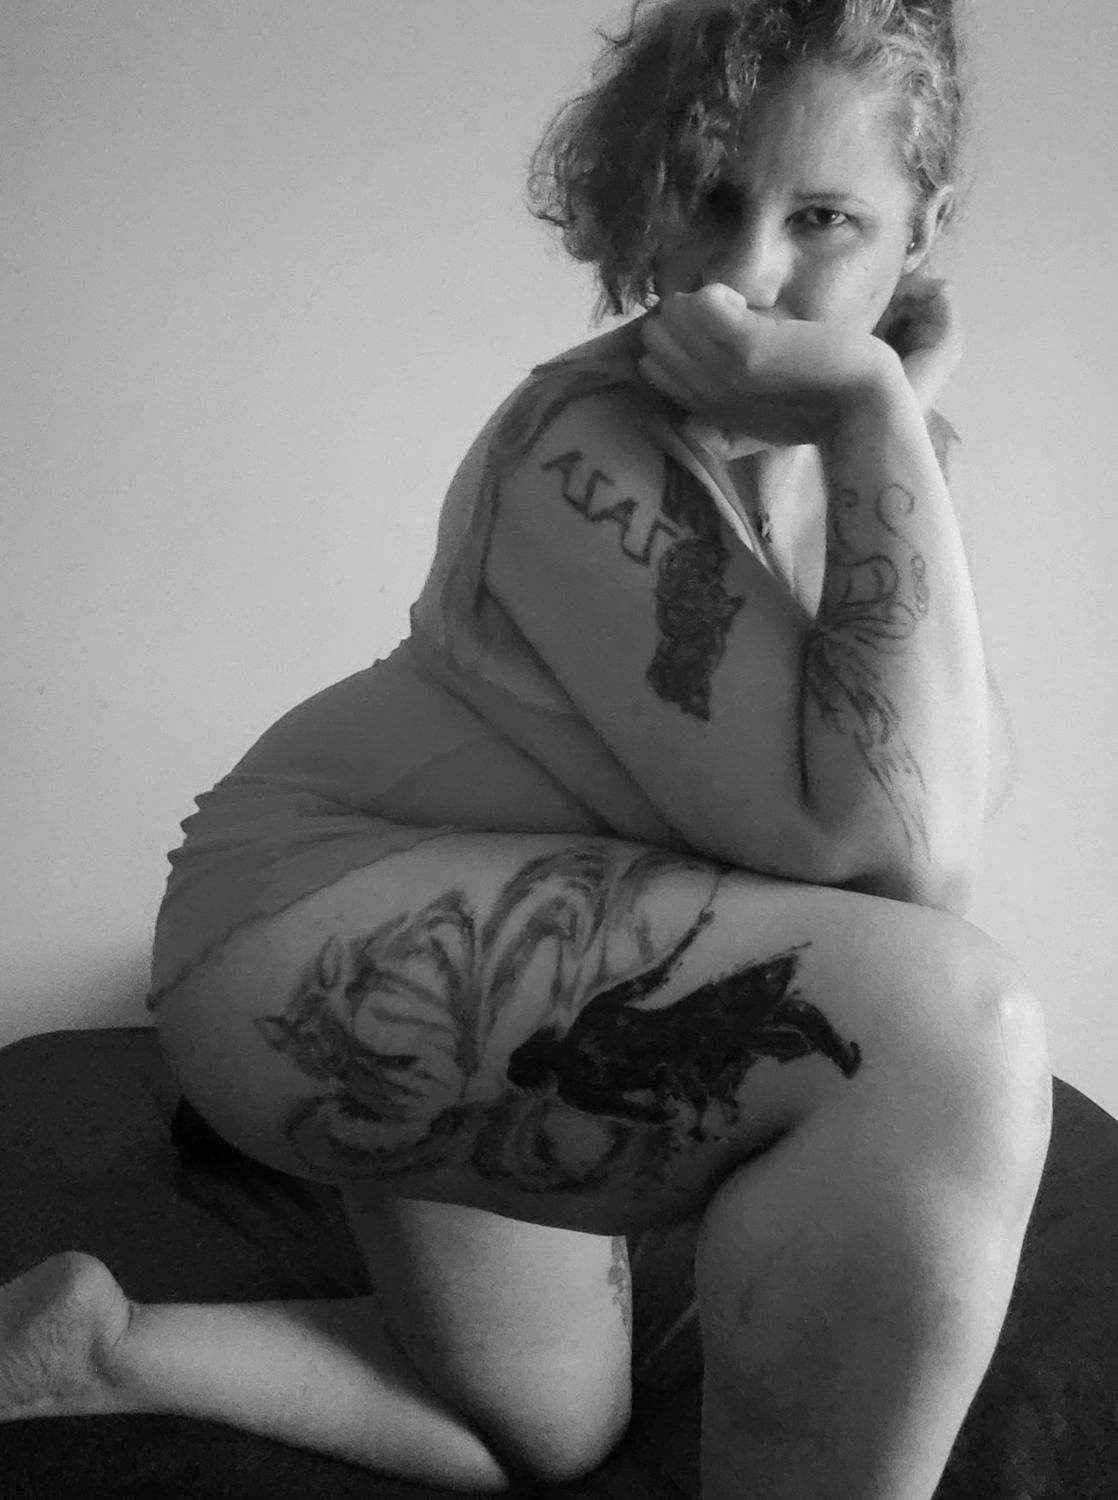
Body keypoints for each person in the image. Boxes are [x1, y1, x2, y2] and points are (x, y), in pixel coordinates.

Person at [0, 2, 1051, 1497]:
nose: (745, 275)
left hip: (534, 927)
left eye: (824, 217)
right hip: (313, 920)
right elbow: (901, 864)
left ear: (921, 227)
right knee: (956, 1040)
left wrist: (885, 438)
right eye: (708, 197)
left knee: (549, 1432)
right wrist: (874, 400)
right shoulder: (586, 441)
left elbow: (953, 775)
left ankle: (101, 1350)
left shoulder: (870, 457)